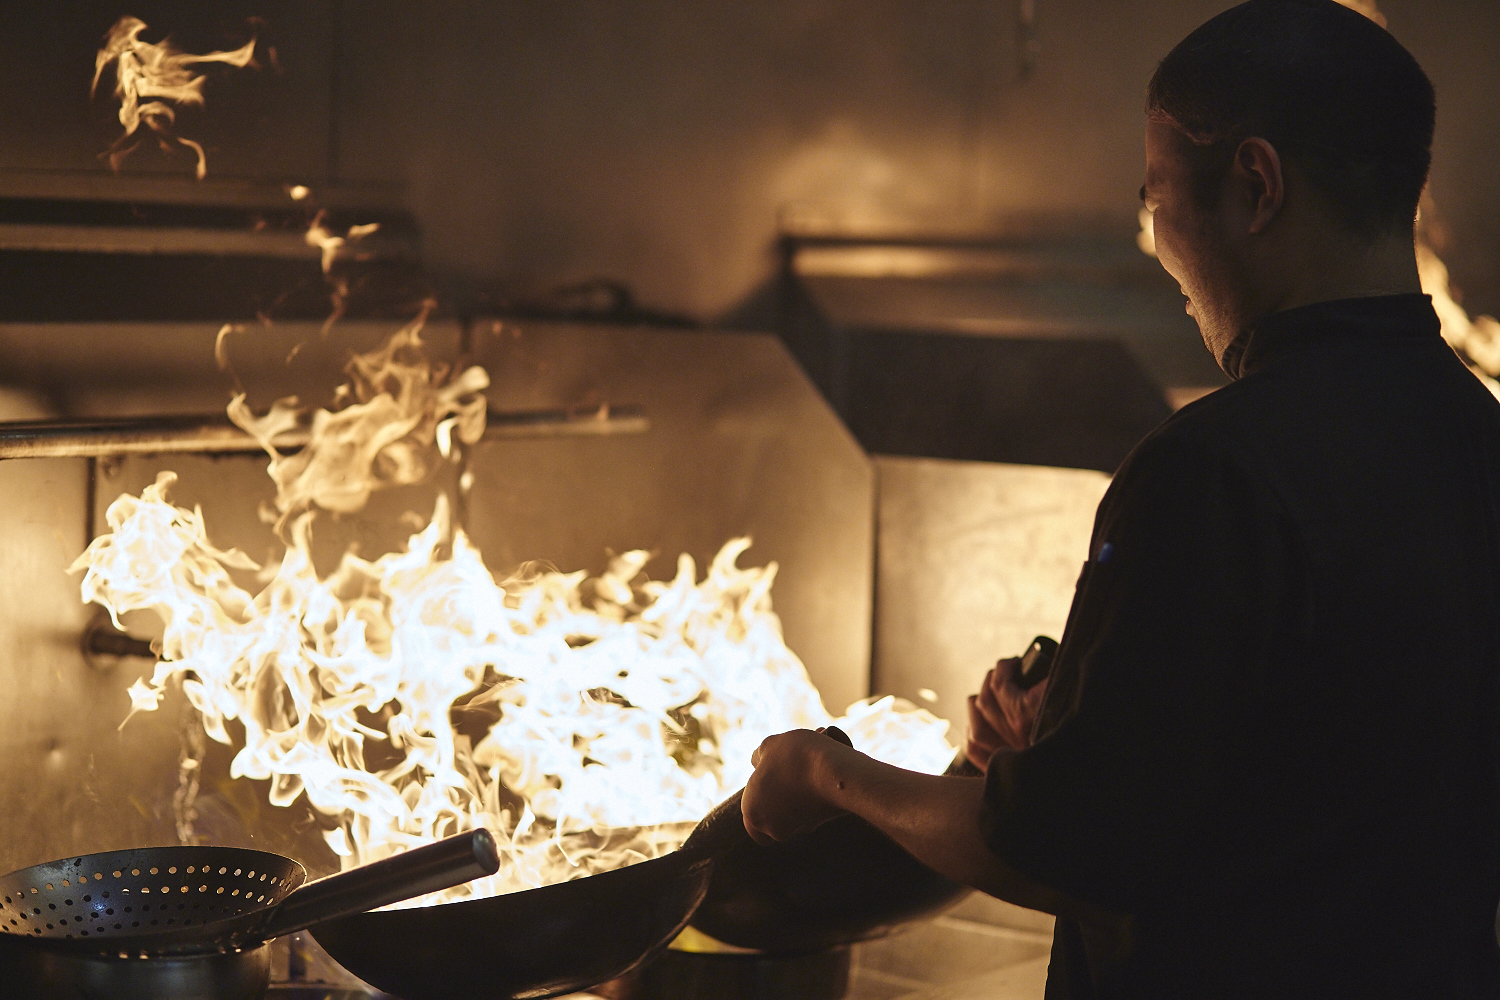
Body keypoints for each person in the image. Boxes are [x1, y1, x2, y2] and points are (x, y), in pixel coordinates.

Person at [740, 1, 1500, 997]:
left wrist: (823, 777)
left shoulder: (1215, 468)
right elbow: (1334, 759)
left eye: (1154, 201)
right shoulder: (1478, 432)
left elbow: (1053, 849)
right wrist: (1083, 732)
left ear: (1255, 185)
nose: (1157, 248)